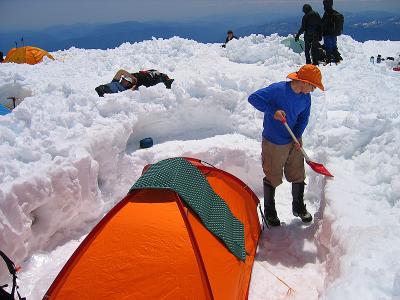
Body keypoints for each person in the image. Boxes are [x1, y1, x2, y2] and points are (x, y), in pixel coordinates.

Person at [248, 64, 324, 226]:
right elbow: (253, 98)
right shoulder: (278, 89)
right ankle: (270, 212)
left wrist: (297, 136)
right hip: (274, 141)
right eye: (313, 86)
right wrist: (272, 110)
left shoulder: (306, 97)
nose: (314, 90)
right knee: (273, 175)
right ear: (303, 82)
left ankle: (298, 207)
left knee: (298, 173)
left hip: (294, 140)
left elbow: (304, 117)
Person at [95, 69, 174, 97]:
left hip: (109, 92)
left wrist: (131, 77)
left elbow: (121, 71)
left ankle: (166, 80)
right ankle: (166, 80)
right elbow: (121, 72)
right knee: (152, 79)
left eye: (126, 80)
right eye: (124, 79)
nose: (123, 80)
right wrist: (132, 79)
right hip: (106, 89)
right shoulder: (118, 84)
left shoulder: (118, 84)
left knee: (155, 76)